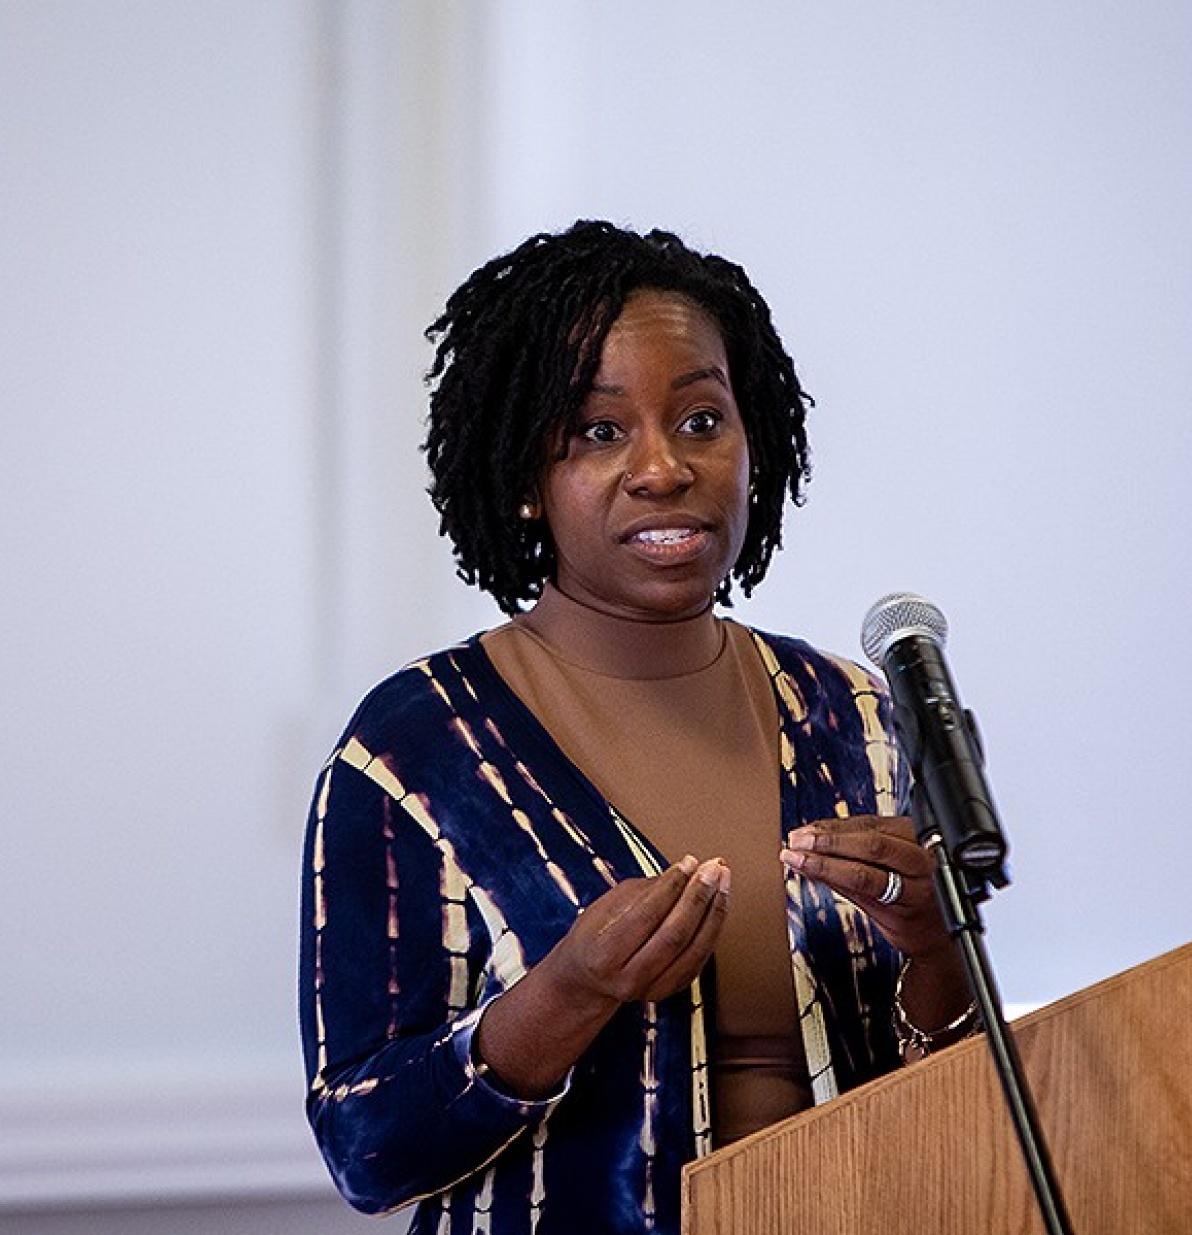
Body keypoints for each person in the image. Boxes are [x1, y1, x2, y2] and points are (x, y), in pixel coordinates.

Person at [299, 221, 975, 1235]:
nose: (662, 467)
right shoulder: (413, 748)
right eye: (598, 431)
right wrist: (568, 990)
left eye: (701, 419)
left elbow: (951, 1092)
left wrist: (934, 945)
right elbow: (365, 1147)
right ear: (524, 479)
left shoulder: (855, 715)